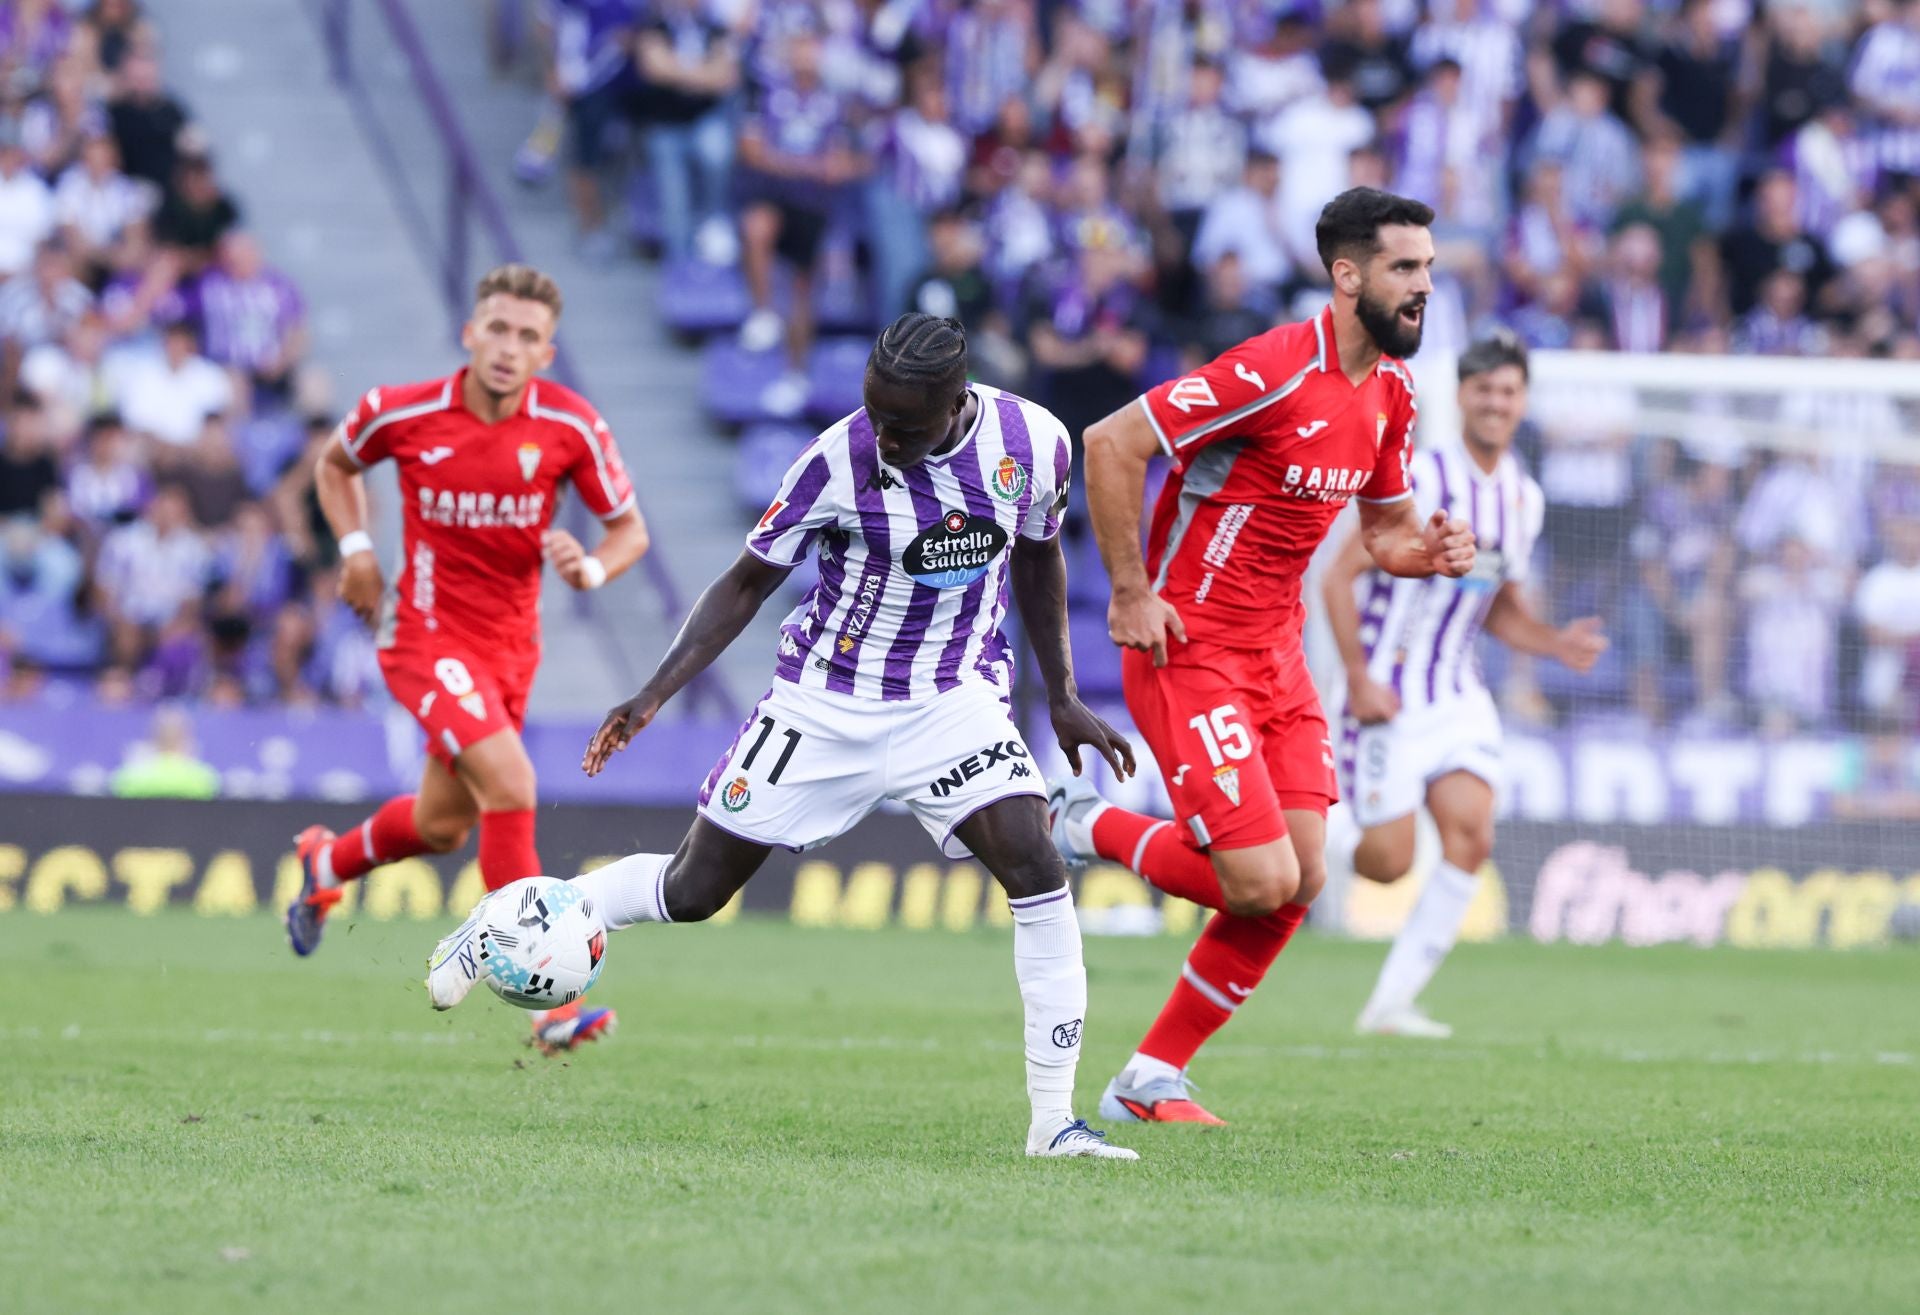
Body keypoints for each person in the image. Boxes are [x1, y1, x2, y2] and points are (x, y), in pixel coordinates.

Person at [427, 313, 1142, 1161]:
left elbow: (1038, 557)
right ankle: (508, 920)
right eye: (874, 415)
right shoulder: (836, 460)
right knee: (695, 891)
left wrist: (1059, 692)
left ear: (958, 404)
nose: (883, 437)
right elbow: (745, 584)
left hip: (951, 698)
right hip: (823, 705)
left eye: (904, 427)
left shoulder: (1036, 443)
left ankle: (1052, 1123)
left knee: (1035, 863)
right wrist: (654, 692)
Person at [1045, 188, 1475, 1126]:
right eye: (1405, 269)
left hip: (1277, 655)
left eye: (1430, 271)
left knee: (1303, 878)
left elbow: (1387, 530)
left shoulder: (1392, 396)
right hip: (1187, 646)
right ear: (1347, 274)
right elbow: (1112, 442)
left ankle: (1150, 1074)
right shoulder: (1273, 368)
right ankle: (1082, 824)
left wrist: (1427, 551)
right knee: (1259, 880)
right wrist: (1128, 589)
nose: (1423, 289)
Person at [287, 264, 649, 1057]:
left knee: (444, 824)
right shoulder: (405, 410)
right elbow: (334, 465)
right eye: (497, 328)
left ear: (546, 353)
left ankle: (327, 859)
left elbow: (628, 531)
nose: (508, 347)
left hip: (511, 651)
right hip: (423, 635)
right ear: (469, 333)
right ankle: (552, 1005)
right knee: (513, 784)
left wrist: (588, 569)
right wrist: (355, 550)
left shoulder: (571, 426)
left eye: (527, 336)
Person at [1320, 331, 1607, 1038]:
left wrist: (1553, 643)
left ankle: (1390, 1003)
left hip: (1455, 692)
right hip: (1385, 692)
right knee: (1388, 864)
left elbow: (1499, 606)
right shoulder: (1418, 478)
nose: (1496, 402)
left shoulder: (1524, 498)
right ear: (1462, 398)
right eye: (1484, 389)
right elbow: (1337, 576)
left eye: (1508, 391)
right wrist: (1356, 678)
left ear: (1523, 402)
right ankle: (1312, 839)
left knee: (1471, 836)